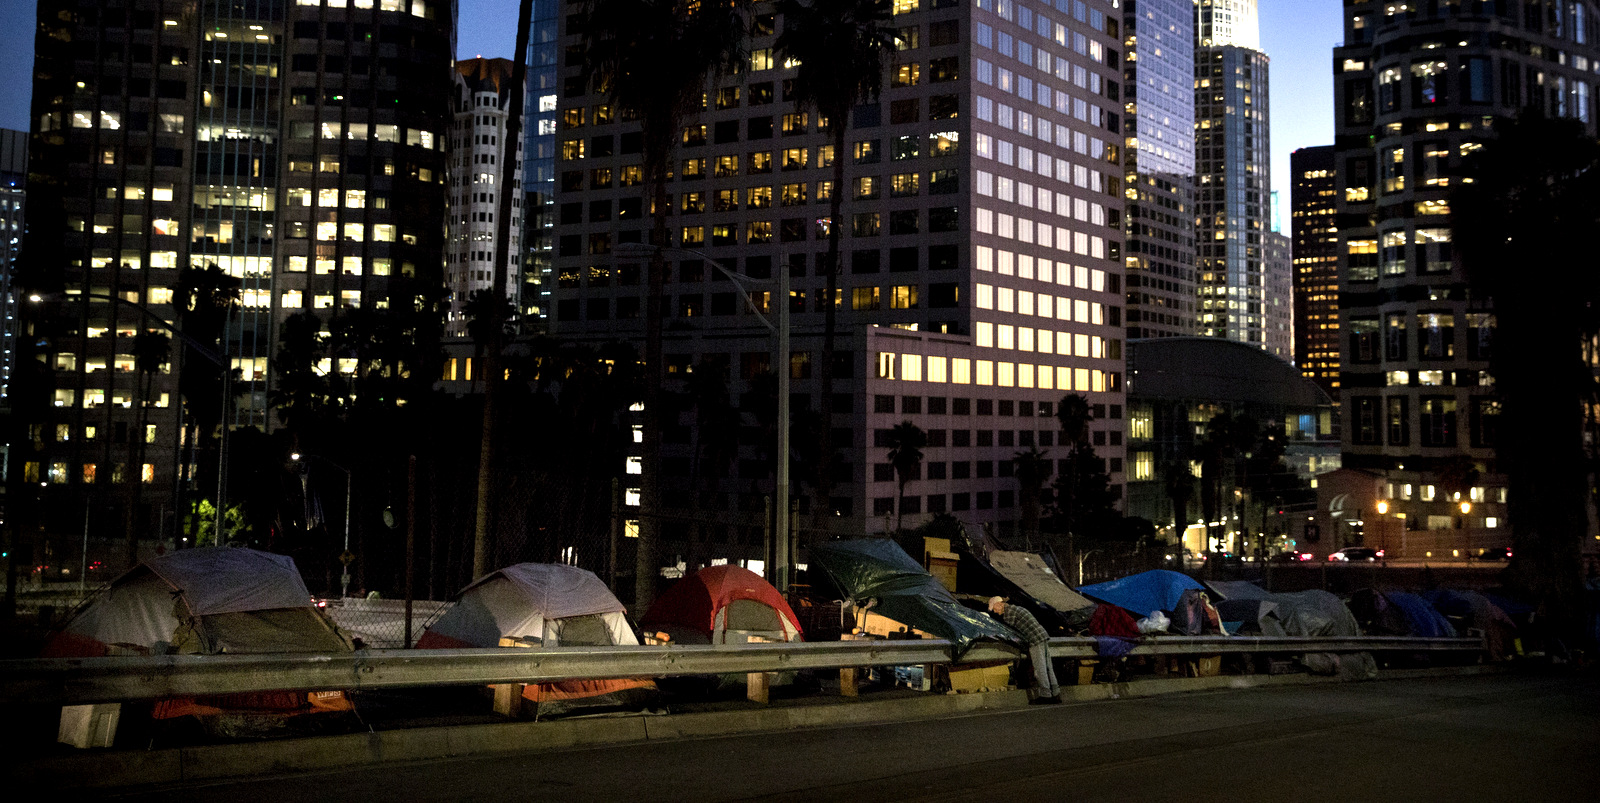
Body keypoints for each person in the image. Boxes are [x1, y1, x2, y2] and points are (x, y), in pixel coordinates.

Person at [988, 596, 1059, 704]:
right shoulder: (1016, 608)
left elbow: (1008, 632)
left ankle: (1046, 695)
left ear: (999, 604)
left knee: (1040, 669)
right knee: (1048, 667)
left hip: (1034, 640)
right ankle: (1056, 693)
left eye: (994, 609)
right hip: (1042, 636)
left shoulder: (1009, 612)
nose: (996, 612)